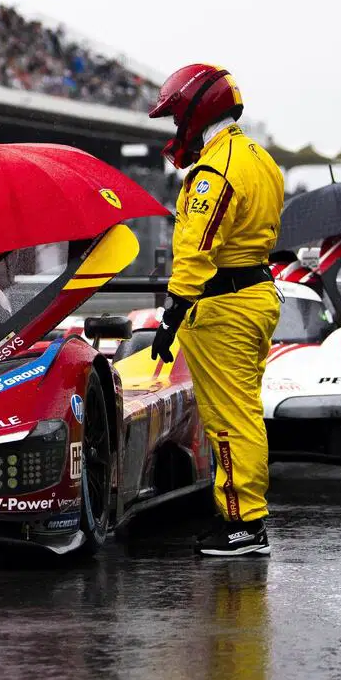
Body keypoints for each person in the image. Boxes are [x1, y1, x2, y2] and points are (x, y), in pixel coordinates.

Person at [146, 63, 285, 558]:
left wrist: (172, 314)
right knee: (242, 411)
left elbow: (196, 248)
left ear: (193, 112)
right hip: (254, 294)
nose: (175, 129)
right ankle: (244, 516)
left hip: (225, 304)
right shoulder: (259, 159)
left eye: (176, 117)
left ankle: (244, 523)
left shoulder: (215, 171)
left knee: (229, 419)